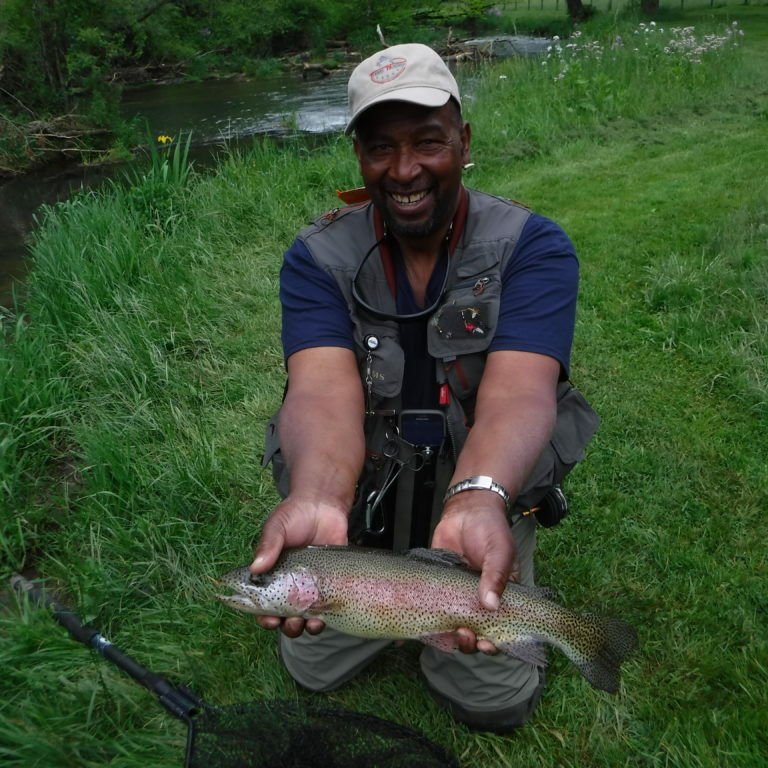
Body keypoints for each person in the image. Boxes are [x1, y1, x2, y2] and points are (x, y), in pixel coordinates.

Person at [251, 43, 599, 732]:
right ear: (358, 155)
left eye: (428, 143)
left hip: (476, 505)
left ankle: (522, 601)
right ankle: (391, 598)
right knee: (312, 667)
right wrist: (317, 496)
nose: (405, 170)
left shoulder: (534, 246)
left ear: (464, 142)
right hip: (357, 509)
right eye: (381, 147)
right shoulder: (317, 257)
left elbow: (518, 395)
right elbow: (319, 394)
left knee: (493, 702)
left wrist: (480, 498)